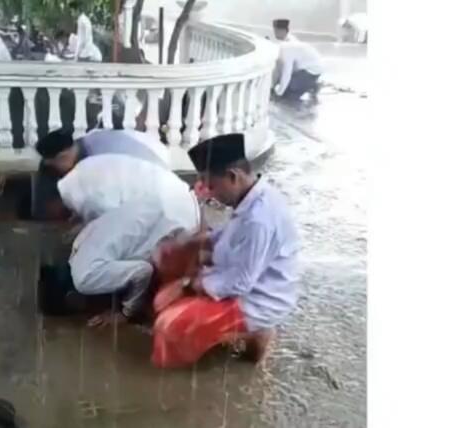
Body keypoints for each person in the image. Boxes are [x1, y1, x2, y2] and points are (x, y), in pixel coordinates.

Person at [150, 133, 300, 368]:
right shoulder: (252, 196)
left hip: (257, 297)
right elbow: (228, 236)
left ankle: (255, 333)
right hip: (239, 277)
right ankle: (215, 332)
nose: (209, 193)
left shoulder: (259, 219)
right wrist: (188, 244)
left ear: (233, 177)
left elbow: (240, 283)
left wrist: (188, 285)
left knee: (169, 325)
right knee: (174, 262)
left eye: (211, 185)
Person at [49, 153, 201, 327]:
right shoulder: (77, 247)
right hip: (165, 202)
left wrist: (125, 313)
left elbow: (142, 271)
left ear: (71, 299)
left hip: (178, 226)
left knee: (160, 305)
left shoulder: (84, 280)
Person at [33, 128, 170, 220]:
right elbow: (44, 209)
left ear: (63, 157)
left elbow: (108, 211)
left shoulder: (98, 162)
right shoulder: (78, 149)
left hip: (153, 192)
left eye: (54, 164)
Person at [271, 19, 324, 102]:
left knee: (289, 93)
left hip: (311, 70)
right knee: (285, 85)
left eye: (276, 30)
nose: (274, 33)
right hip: (309, 67)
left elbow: (286, 72)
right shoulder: (288, 41)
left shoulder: (286, 47)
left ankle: (312, 85)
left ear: (281, 31)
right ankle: (311, 84)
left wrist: (279, 94)